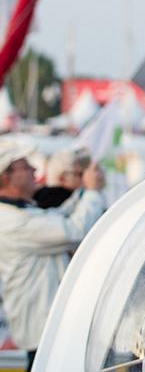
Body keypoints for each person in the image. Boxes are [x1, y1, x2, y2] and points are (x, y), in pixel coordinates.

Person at [0, 139, 106, 371]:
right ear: (6, 176)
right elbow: (72, 231)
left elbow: (56, 217)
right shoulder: (12, 221)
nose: (34, 171)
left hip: (49, 330)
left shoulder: (19, 212)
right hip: (45, 333)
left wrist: (82, 191)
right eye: (25, 167)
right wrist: (92, 192)